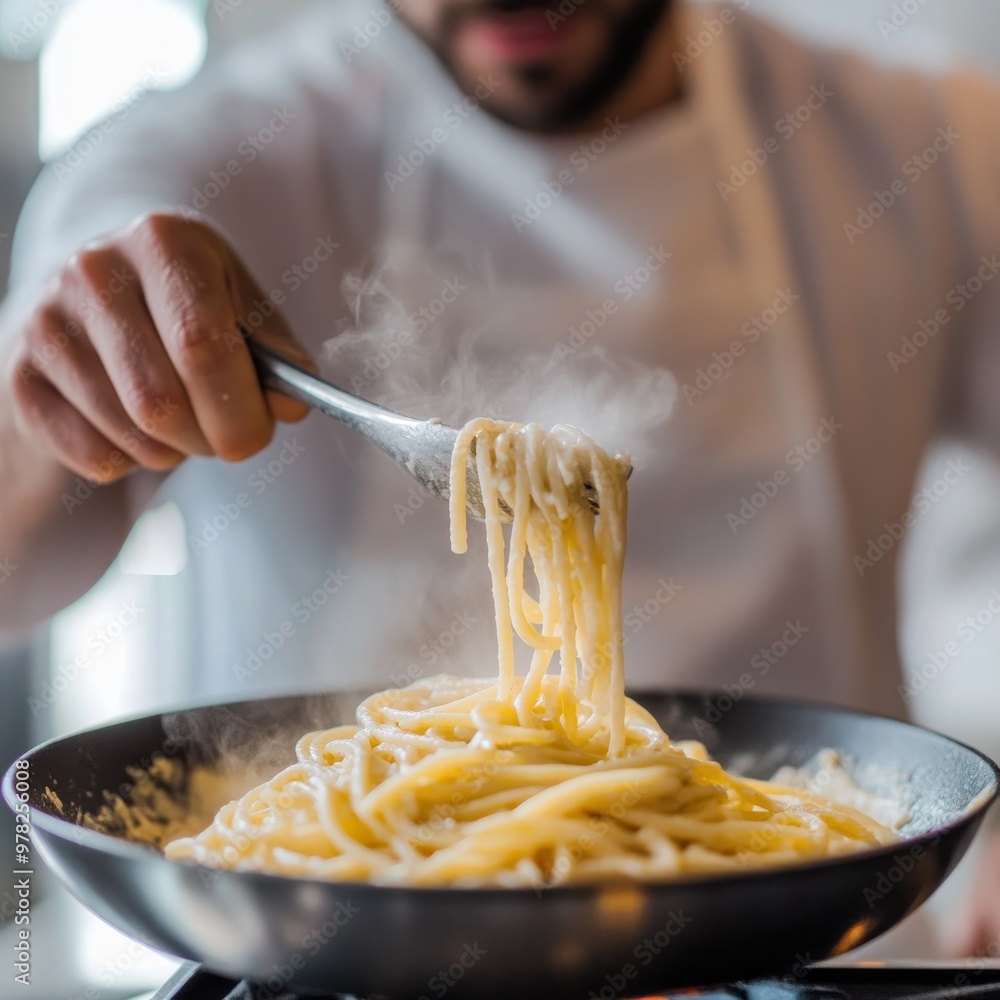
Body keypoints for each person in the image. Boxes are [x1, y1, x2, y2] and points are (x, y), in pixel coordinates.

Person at [1, 0, 999, 956]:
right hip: (300, 945)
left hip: (819, 942)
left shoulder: (923, 142)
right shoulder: (194, 158)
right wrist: (55, 412)